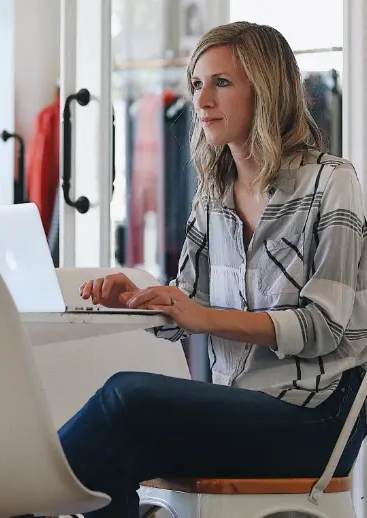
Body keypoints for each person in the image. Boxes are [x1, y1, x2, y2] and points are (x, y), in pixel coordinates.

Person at [59, 21, 367, 518]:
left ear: (266, 91)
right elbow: (188, 297)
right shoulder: (214, 192)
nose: (201, 101)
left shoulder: (332, 181)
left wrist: (198, 315)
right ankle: (29, 494)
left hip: (314, 421)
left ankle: (21, 491)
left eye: (221, 83)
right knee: (105, 462)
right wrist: (140, 297)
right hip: (240, 409)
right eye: (197, 84)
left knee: (127, 397)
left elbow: (323, 326)